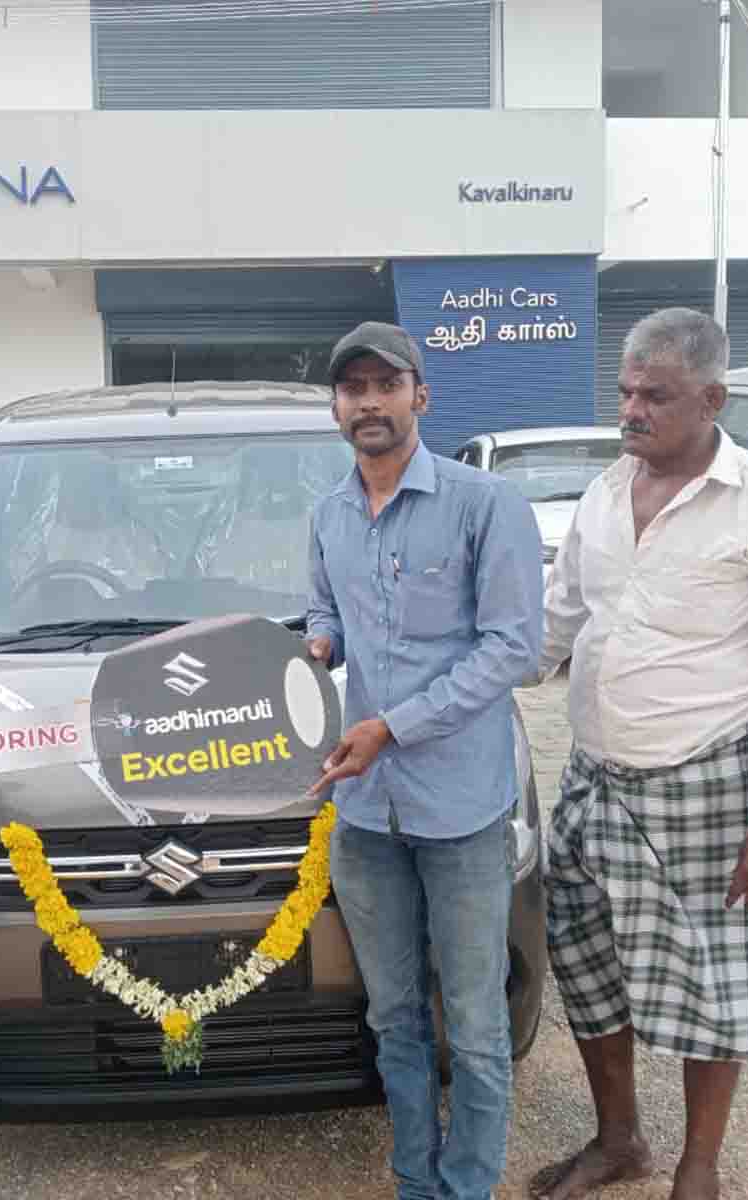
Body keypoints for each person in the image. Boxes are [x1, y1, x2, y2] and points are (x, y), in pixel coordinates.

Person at [530, 308, 748, 1200]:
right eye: (626, 391)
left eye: (657, 395)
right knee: (586, 965)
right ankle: (620, 1142)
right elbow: (557, 624)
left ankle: (699, 1168)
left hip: (711, 781)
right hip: (594, 781)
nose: (632, 410)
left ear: (713, 400)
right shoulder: (605, 491)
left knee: (709, 986)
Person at [306, 321, 543, 1200]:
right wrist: (317, 648)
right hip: (366, 814)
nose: (369, 402)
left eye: (386, 384)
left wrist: (394, 727)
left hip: (461, 811)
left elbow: (512, 647)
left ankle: (468, 1185)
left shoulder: (486, 505)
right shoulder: (329, 514)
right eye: (353, 388)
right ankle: (417, 1178)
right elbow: (324, 610)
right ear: (336, 407)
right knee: (393, 1015)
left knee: (475, 1023)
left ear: (420, 396)